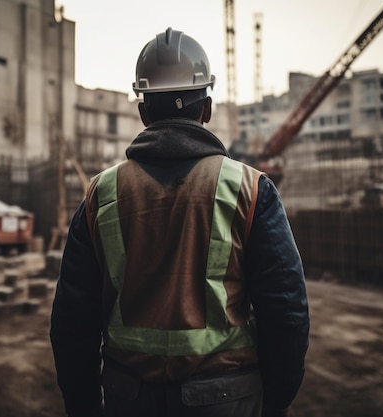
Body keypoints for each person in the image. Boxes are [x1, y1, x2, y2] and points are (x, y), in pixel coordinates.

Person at [50, 27, 309, 417]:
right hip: (227, 400)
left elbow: (73, 323)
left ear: (142, 112)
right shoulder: (250, 189)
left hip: (129, 398)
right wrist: (274, 400)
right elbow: (286, 312)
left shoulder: (101, 195)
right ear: (206, 109)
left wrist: (84, 405)